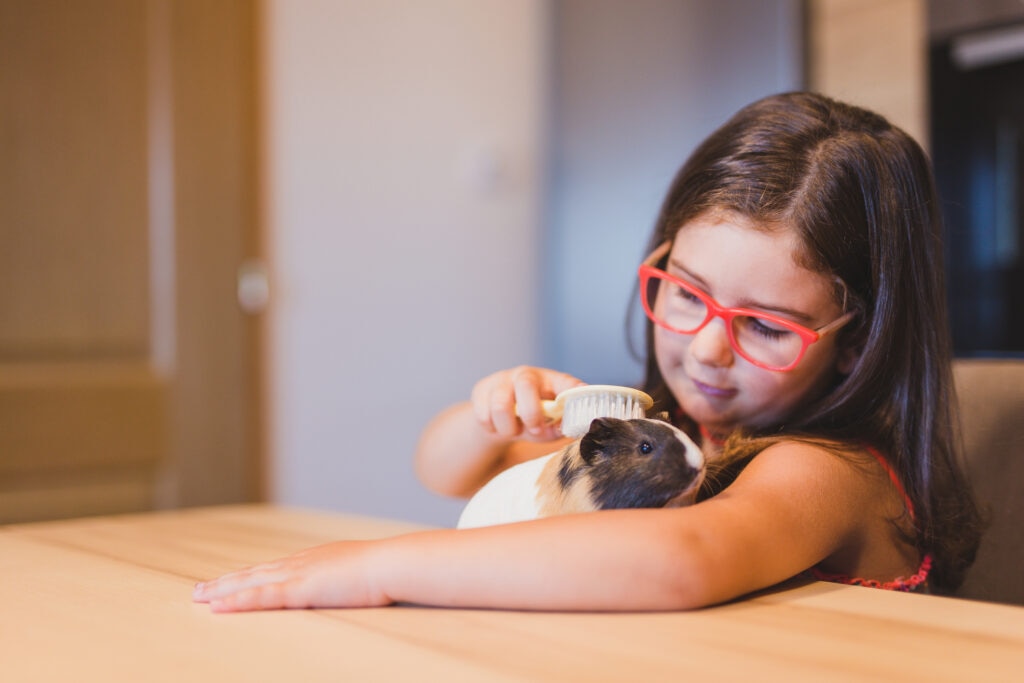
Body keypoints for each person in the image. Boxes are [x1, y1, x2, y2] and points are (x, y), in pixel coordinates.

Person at [193, 92, 982, 612]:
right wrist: (491, 413)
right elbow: (444, 468)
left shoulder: (825, 470)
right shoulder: (675, 433)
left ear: (859, 343)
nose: (706, 347)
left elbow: (686, 558)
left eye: (766, 327)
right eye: (686, 294)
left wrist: (376, 568)